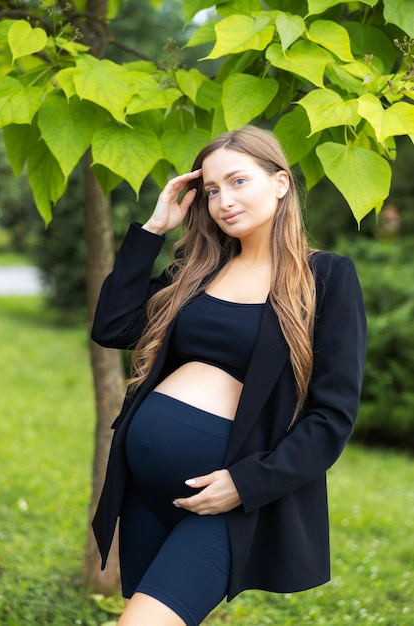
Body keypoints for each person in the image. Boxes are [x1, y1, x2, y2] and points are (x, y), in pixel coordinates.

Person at [91, 125, 367, 626]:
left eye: (238, 181)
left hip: (224, 500)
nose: (223, 200)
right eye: (213, 190)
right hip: (145, 490)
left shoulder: (325, 278)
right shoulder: (199, 268)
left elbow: (333, 416)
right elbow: (112, 326)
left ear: (281, 182)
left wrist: (246, 483)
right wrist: (154, 230)